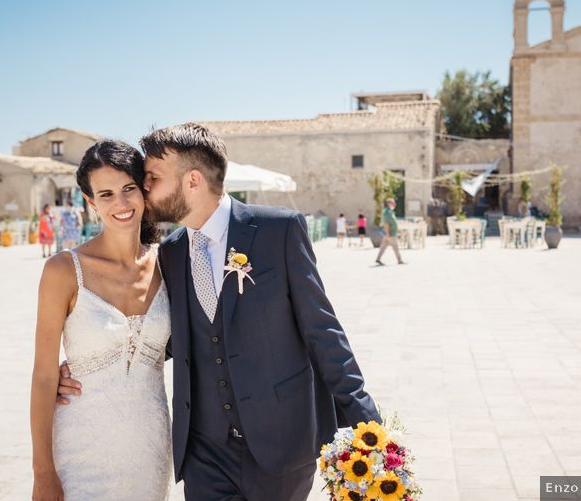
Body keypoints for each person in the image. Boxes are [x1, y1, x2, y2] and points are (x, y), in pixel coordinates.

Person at [57, 123, 379, 500]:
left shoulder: (279, 230)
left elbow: (323, 333)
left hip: (282, 446)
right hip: (204, 453)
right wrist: (95, 363)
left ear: (192, 181)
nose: (144, 189)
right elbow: (174, 336)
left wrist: (367, 424)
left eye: (153, 179)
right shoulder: (172, 253)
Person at [30, 140, 171, 500]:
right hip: (81, 449)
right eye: (106, 194)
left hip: (150, 448)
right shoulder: (63, 270)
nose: (121, 204)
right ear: (90, 202)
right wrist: (43, 472)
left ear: (144, 191)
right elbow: (45, 375)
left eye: (128, 189)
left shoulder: (169, 264)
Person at [375, 197, 404, 265]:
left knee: (383, 246)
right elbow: (386, 224)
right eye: (393, 203)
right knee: (395, 246)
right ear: (388, 203)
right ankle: (399, 260)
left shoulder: (390, 211)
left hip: (389, 233)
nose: (395, 204)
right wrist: (387, 234)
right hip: (390, 233)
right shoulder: (387, 212)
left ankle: (378, 259)